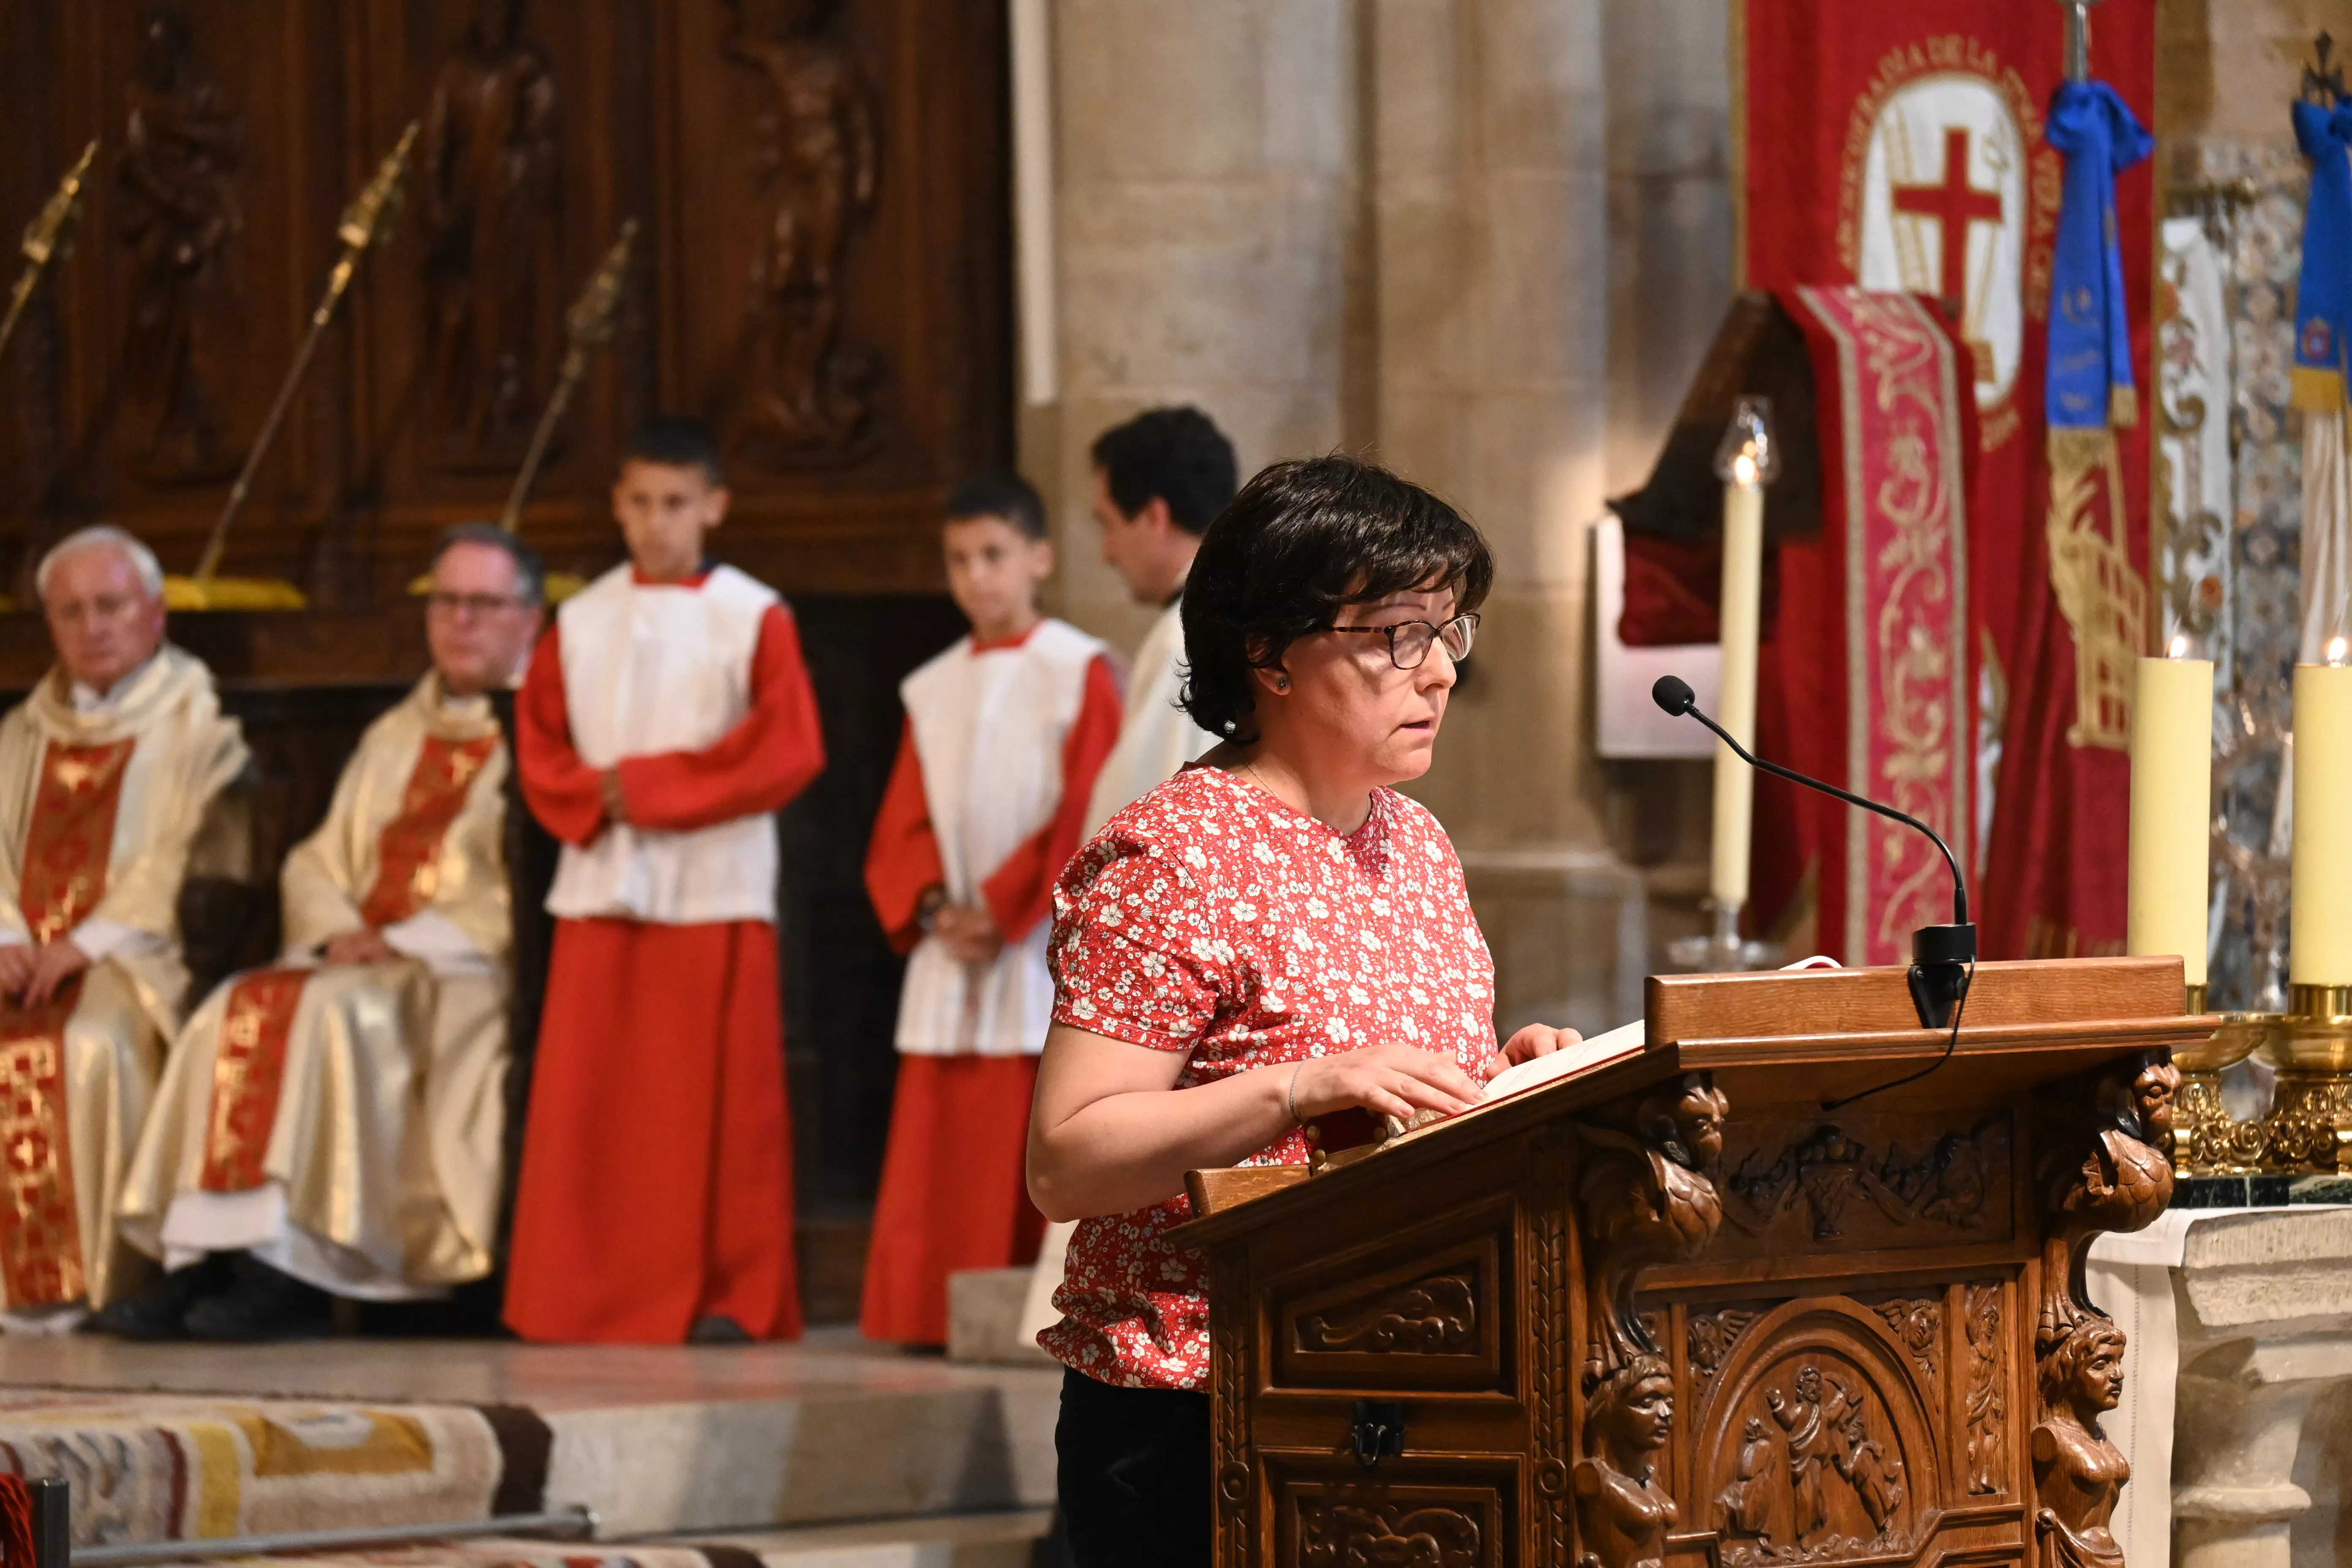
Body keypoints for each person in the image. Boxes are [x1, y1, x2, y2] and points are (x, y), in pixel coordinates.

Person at [1025, 456, 1584, 1566]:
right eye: (1395, 637)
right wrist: (1297, 1088)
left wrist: (1501, 1077)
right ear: (1269, 652)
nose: (1436, 675)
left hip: (1399, 1384)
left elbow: (1386, 1085)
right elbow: (1069, 1162)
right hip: (1199, 1408)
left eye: (1447, 632)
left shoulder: (1411, 840)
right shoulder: (1177, 851)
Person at [105, 526, 545, 1339]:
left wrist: (410, 942)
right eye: (446, 601)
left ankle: (291, 1272)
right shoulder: (398, 732)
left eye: (484, 604)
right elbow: (319, 858)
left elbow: (526, 885)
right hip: (359, 955)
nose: (460, 622)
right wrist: (342, 929)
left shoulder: (543, 734)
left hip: (462, 972)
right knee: (236, 1005)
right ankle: (203, 1260)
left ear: (532, 618)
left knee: (335, 1017)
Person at [504, 416, 827, 1345]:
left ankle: (728, 1293)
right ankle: (581, 1290)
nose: (656, 522)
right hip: (603, 881)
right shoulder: (579, 617)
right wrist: (600, 794)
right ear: (617, 504)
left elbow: (787, 744)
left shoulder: (754, 612)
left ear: (714, 506)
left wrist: (644, 785)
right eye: (640, 501)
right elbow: (542, 744)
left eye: (677, 503)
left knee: (722, 1111)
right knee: (596, 1108)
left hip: (714, 885)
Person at [859, 475, 1120, 1346]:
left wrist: (1007, 906)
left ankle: (1021, 1317)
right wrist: (936, 902)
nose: (978, 576)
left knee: (1022, 1117)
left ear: (1039, 559)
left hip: (1030, 939)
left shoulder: (1077, 666)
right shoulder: (929, 686)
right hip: (956, 938)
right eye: (960, 560)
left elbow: (1091, 799)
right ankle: (922, 1309)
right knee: (939, 1132)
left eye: (995, 555)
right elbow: (905, 814)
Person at [1017, 406, 1235, 1345]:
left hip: (1172, 995)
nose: (1102, 551)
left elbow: (1143, 826)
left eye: (1105, 522)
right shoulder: (1198, 626)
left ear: (1155, 515)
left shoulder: (1195, 632)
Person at [0, 526, 248, 1328]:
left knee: (90, 1045)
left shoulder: (200, 723)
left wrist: (86, 943)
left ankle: (104, 1282)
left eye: (110, 606)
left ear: (156, 611)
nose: (92, 627)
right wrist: (7, 937)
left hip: (134, 959)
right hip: (17, 959)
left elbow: (192, 851)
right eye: (70, 612)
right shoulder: (18, 736)